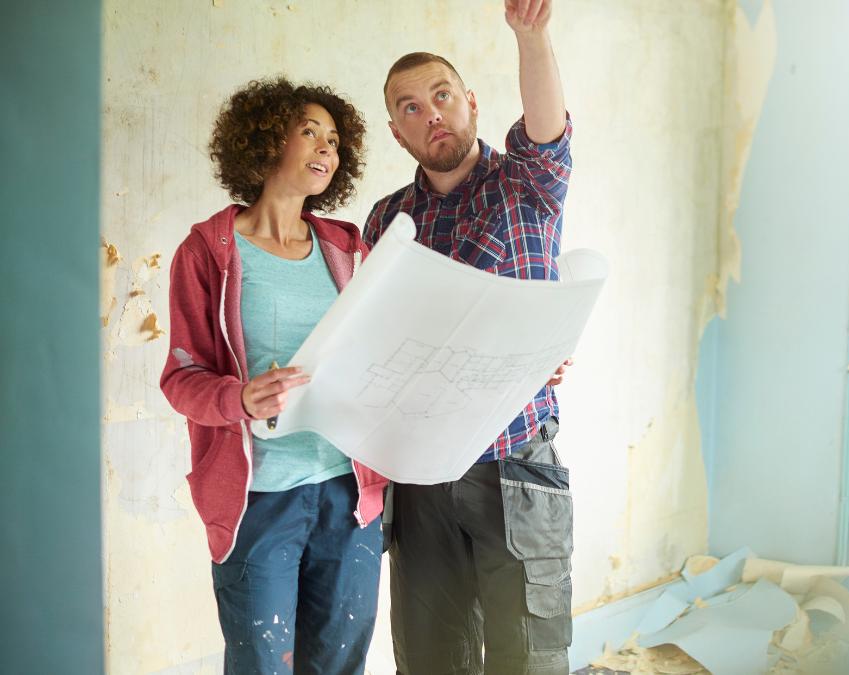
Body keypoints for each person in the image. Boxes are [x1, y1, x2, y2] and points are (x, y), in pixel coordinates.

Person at [362, 0, 574, 672]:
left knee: (526, 654)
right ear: (398, 133)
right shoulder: (386, 221)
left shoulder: (525, 184)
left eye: (442, 96)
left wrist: (531, 38)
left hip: (513, 459)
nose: (432, 116)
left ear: (472, 103)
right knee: (431, 655)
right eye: (411, 108)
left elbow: (546, 130)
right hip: (422, 472)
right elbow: (375, 341)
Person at [160, 77, 389, 674]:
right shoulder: (208, 251)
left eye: (334, 139)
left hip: (350, 494)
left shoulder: (348, 248)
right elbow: (181, 379)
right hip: (258, 498)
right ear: (264, 142)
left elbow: (383, 353)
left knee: (340, 665)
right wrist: (240, 397)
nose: (325, 148)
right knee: (263, 664)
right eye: (308, 131)